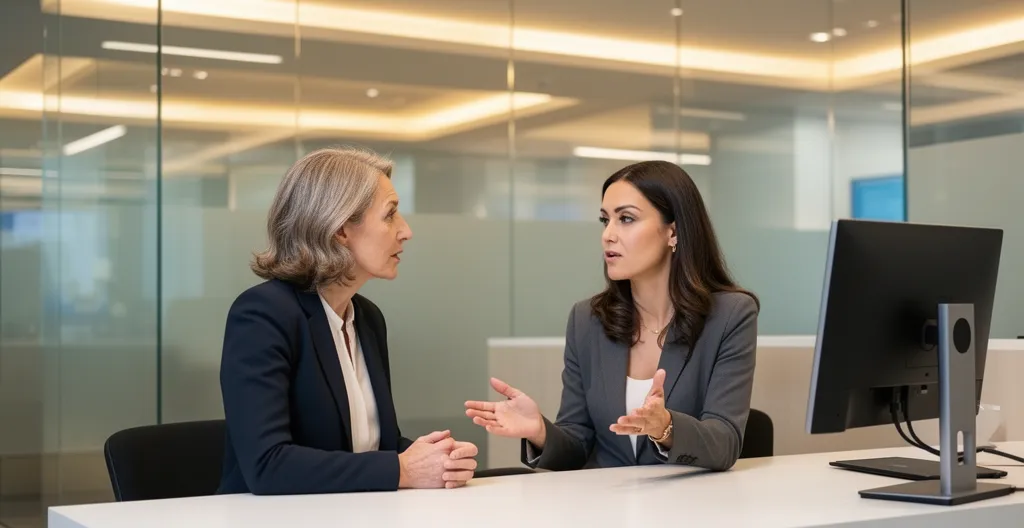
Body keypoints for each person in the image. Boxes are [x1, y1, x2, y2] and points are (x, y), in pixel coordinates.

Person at [466, 160, 759, 471]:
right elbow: (578, 444)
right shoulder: (587, 320)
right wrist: (540, 431)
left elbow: (725, 443)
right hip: (605, 509)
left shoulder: (730, 316)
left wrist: (666, 427)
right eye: (605, 220)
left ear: (673, 231)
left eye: (627, 219)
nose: (608, 235)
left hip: (686, 510)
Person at [218, 146, 478, 495]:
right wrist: (402, 468)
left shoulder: (368, 318)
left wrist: (434, 458)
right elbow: (269, 466)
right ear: (340, 230)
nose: (405, 231)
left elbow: (369, 448)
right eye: (390, 215)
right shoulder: (263, 315)